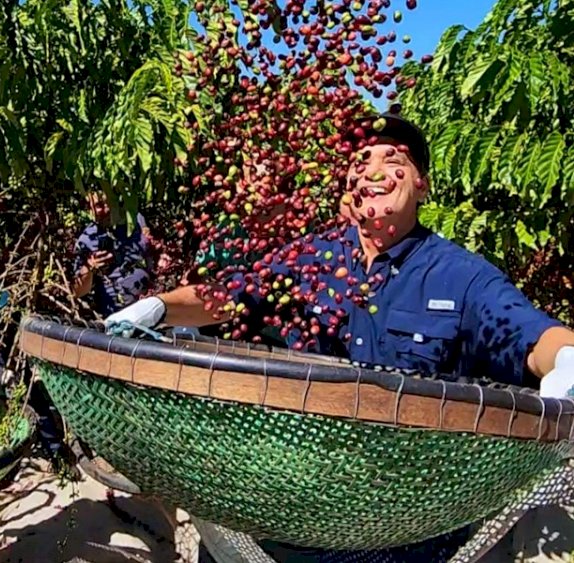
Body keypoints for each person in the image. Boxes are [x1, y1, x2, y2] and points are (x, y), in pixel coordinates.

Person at [103, 113, 574, 561]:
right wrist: (161, 305)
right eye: (360, 161)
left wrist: (567, 359)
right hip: (298, 511)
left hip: (409, 525)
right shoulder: (314, 258)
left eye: (394, 161)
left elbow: (532, 337)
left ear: (422, 185)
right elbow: (230, 295)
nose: (374, 171)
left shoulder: (459, 275)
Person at [71, 191, 153, 317]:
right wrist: (89, 267)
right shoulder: (87, 239)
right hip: (118, 316)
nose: (107, 209)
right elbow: (78, 291)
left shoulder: (135, 219)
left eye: (109, 203)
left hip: (150, 307)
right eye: (99, 205)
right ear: (89, 208)